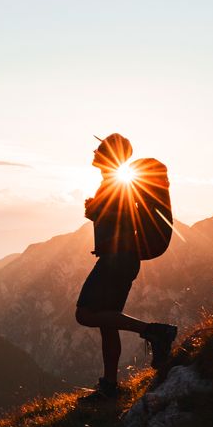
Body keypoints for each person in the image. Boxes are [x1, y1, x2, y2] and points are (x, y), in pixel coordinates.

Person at [75, 133, 178, 402]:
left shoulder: (116, 182)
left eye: (99, 149)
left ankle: (155, 332)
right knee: (108, 321)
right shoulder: (114, 181)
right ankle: (110, 386)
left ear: (110, 154)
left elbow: (120, 215)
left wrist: (96, 210)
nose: (94, 153)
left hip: (116, 259)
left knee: (85, 314)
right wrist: (96, 210)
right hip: (122, 258)